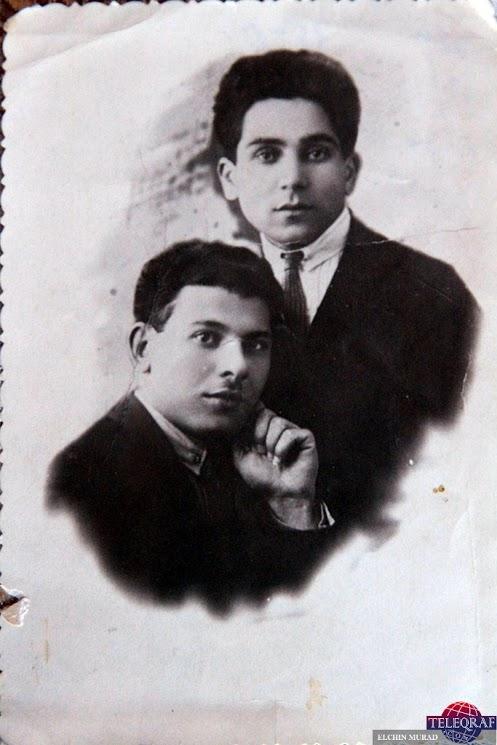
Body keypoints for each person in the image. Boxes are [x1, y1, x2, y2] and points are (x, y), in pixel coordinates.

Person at [212, 49, 479, 537]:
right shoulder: (205, 296)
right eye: (267, 155)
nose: (292, 179)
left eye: (316, 153)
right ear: (230, 178)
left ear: (350, 170)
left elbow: (464, 471)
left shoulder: (434, 296)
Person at [47, 240, 333, 613]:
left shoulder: (247, 462)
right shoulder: (83, 484)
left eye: (255, 344)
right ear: (143, 348)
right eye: (206, 337)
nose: (238, 366)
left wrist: (292, 503)